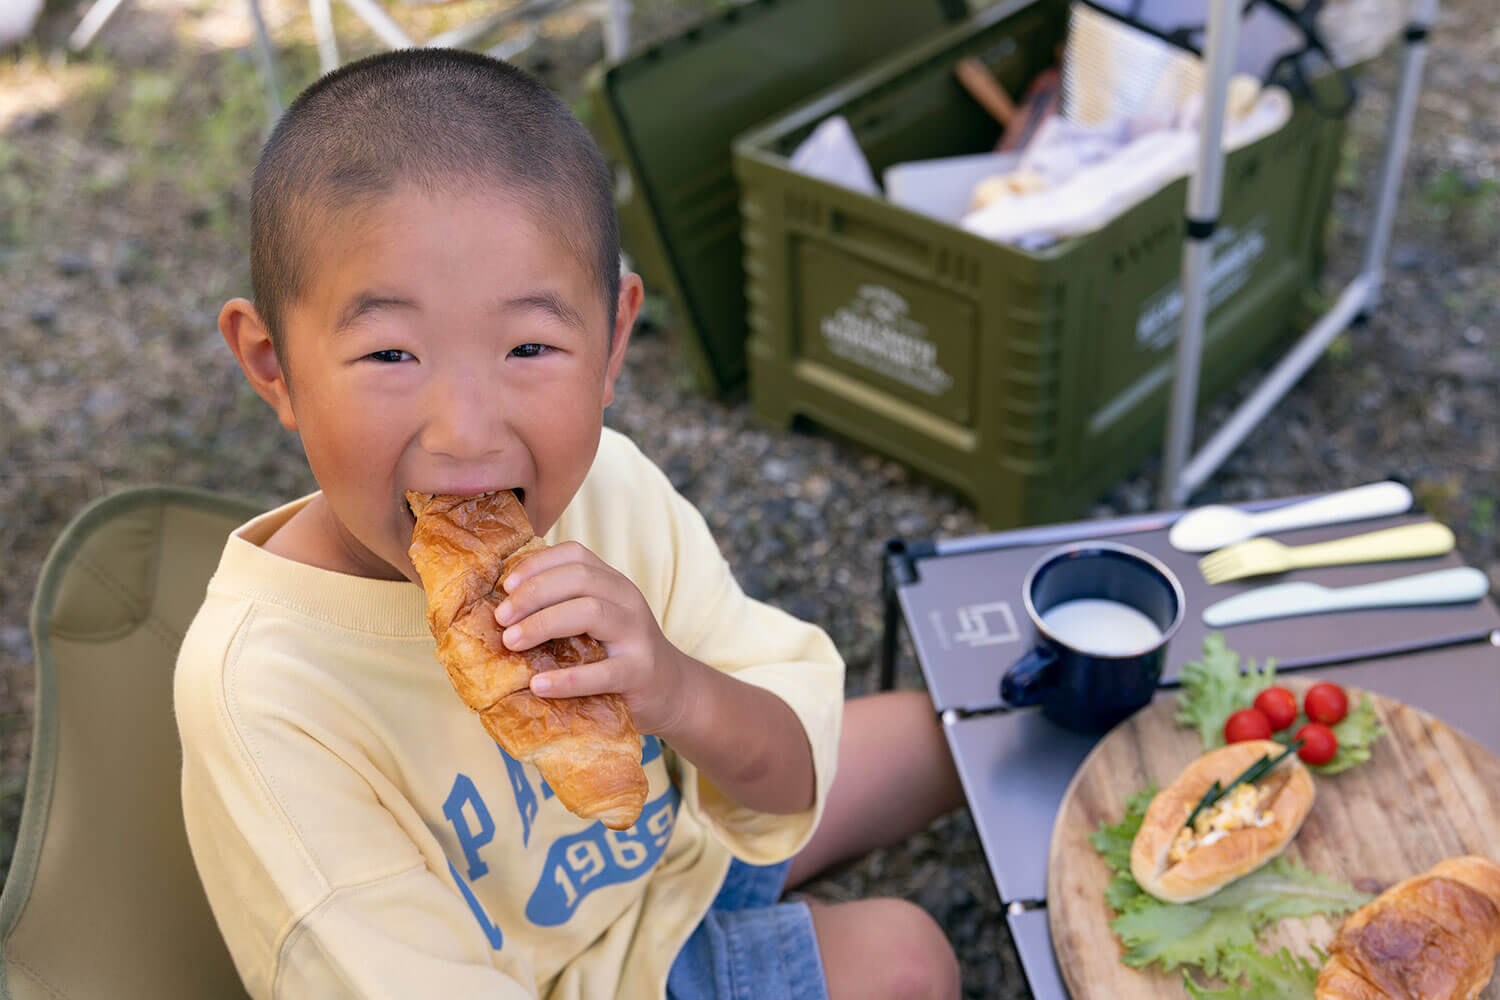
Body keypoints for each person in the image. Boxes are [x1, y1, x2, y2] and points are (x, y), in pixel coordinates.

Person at [176, 48, 963, 1000]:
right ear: (271, 365)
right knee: (906, 953)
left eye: (529, 346)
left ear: (613, 341)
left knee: (941, 737)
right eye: (390, 351)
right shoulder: (269, 696)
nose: (466, 431)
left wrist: (672, 688)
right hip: (576, 981)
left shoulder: (609, 488)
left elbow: (785, 777)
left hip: (670, 854)